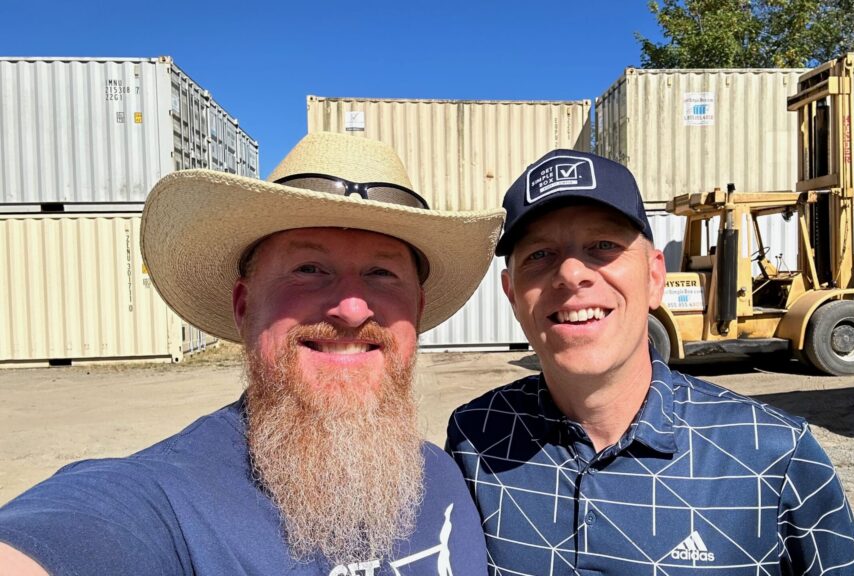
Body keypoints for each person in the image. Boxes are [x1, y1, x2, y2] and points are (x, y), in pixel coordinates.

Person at [0, 132, 506, 576]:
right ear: (245, 306)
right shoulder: (165, 501)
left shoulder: (445, 479)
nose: (352, 310)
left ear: (416, 311)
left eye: (382, 273)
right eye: (309, 269)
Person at [446, 149, 854, 575]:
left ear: (655, 278)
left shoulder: (773, 454)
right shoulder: (475, 439)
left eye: (603, 245)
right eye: (540, 254)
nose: (571, 274)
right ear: (512, 295)